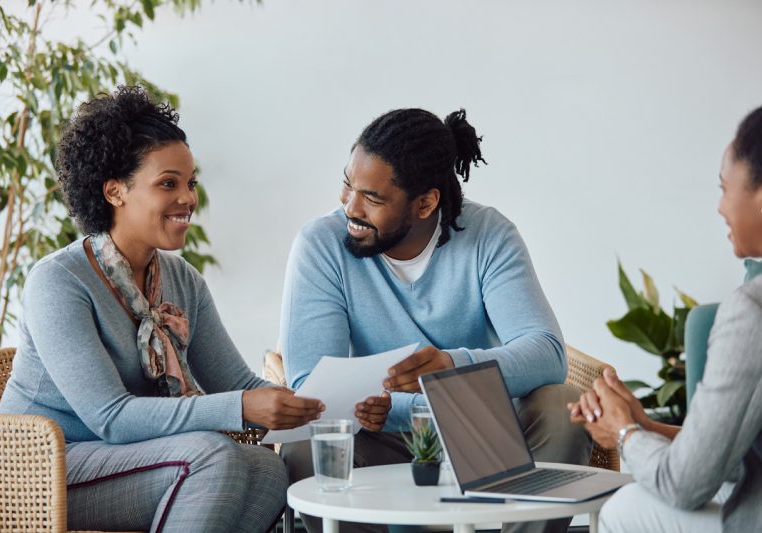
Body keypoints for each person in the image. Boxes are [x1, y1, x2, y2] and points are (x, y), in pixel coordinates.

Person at [0, 86, 326, 533]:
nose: (188, 198)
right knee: (209, 456)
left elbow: (238, 385)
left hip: (126, 460)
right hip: (38, 470)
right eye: (168, 183)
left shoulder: (181, 278)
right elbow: (110, 417)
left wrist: (323, 403)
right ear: (115, 191)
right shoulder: (58, 282)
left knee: (265, 469)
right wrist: (243, 406)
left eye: (190, 183)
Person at [279, 108, 591, 533]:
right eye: (348, 185)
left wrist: (450, 367)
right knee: (305, 449)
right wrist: (398, 409)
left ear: (426, 203)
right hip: (379, 432)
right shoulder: (321, 245)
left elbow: (547, 353)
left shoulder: (489, 235)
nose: (349, 208)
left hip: (478, 427)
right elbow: (311, 390)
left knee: (562, 407)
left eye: (372, 198)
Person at [568, 105, 762, 532]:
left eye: (724, 187)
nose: (719, 207)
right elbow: (728, 455)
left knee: (625, 508)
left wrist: (623, 435)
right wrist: (645, 426)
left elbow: (685, 485)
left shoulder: (752, 313)